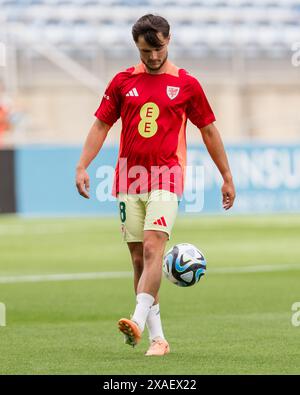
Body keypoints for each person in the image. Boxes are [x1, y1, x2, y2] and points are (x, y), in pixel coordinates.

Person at [76, 14, 236, 356]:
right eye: (145, 50)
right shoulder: (121, 82)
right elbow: (101, 125)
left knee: (153, 249)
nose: (152, 57)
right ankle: (157, 339)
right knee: (138, 261)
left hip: (166, 176)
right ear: (137, 46)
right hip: (126, 179)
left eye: (158, 48)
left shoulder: (187, 84)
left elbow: (208, 130)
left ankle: (135, 319)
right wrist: (82, 165)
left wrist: (226, 175)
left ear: (169, 40)